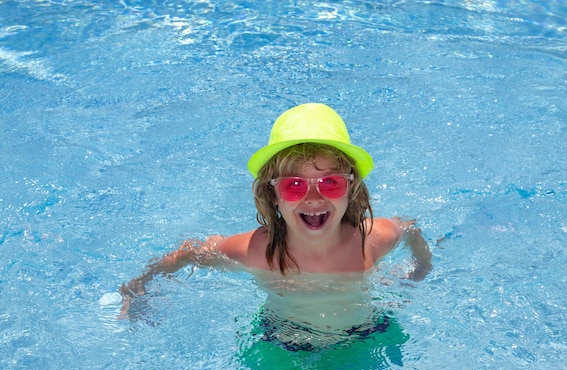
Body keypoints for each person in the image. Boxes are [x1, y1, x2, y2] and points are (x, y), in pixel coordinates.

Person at [119, 103, 431, 349]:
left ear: (351, 188)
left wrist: (416, 273)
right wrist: (138, 286)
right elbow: (192, 252)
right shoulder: (260, 251)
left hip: (366, 337)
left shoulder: (370, 240)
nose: (313, 197)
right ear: (273, 194)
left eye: (330, 183)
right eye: (295, 186)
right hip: (285, 345)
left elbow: (409, 228)